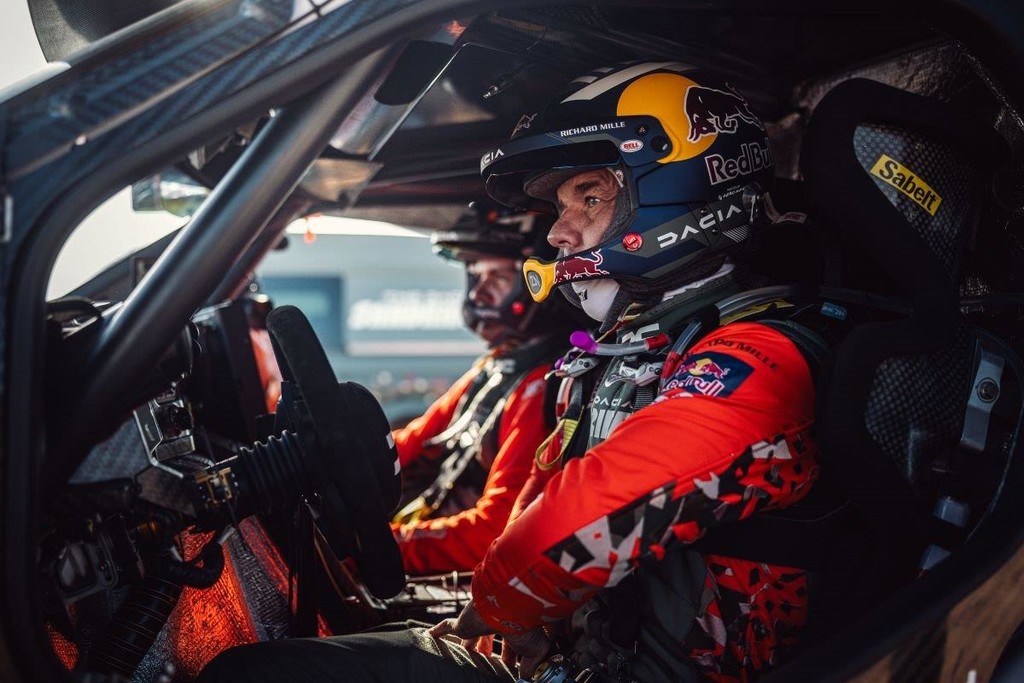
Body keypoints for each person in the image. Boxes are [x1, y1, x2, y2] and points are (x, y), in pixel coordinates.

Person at [200, 63, 820, 683]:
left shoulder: (758, 355)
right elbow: (539, 503)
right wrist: (500, 612)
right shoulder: (622, 355)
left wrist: (497, 603)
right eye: (560, 206)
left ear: (680, 192)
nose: (557, 233)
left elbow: (586, 510)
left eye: (590, 198)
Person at [389, 205, 587, 576]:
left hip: (470, 583)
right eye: (476, 275)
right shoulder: (496, 366)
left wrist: (380, 548)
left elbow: (495, 532)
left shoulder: (544, 384)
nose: (479, 294)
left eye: (498, 277)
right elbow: (409, 444)